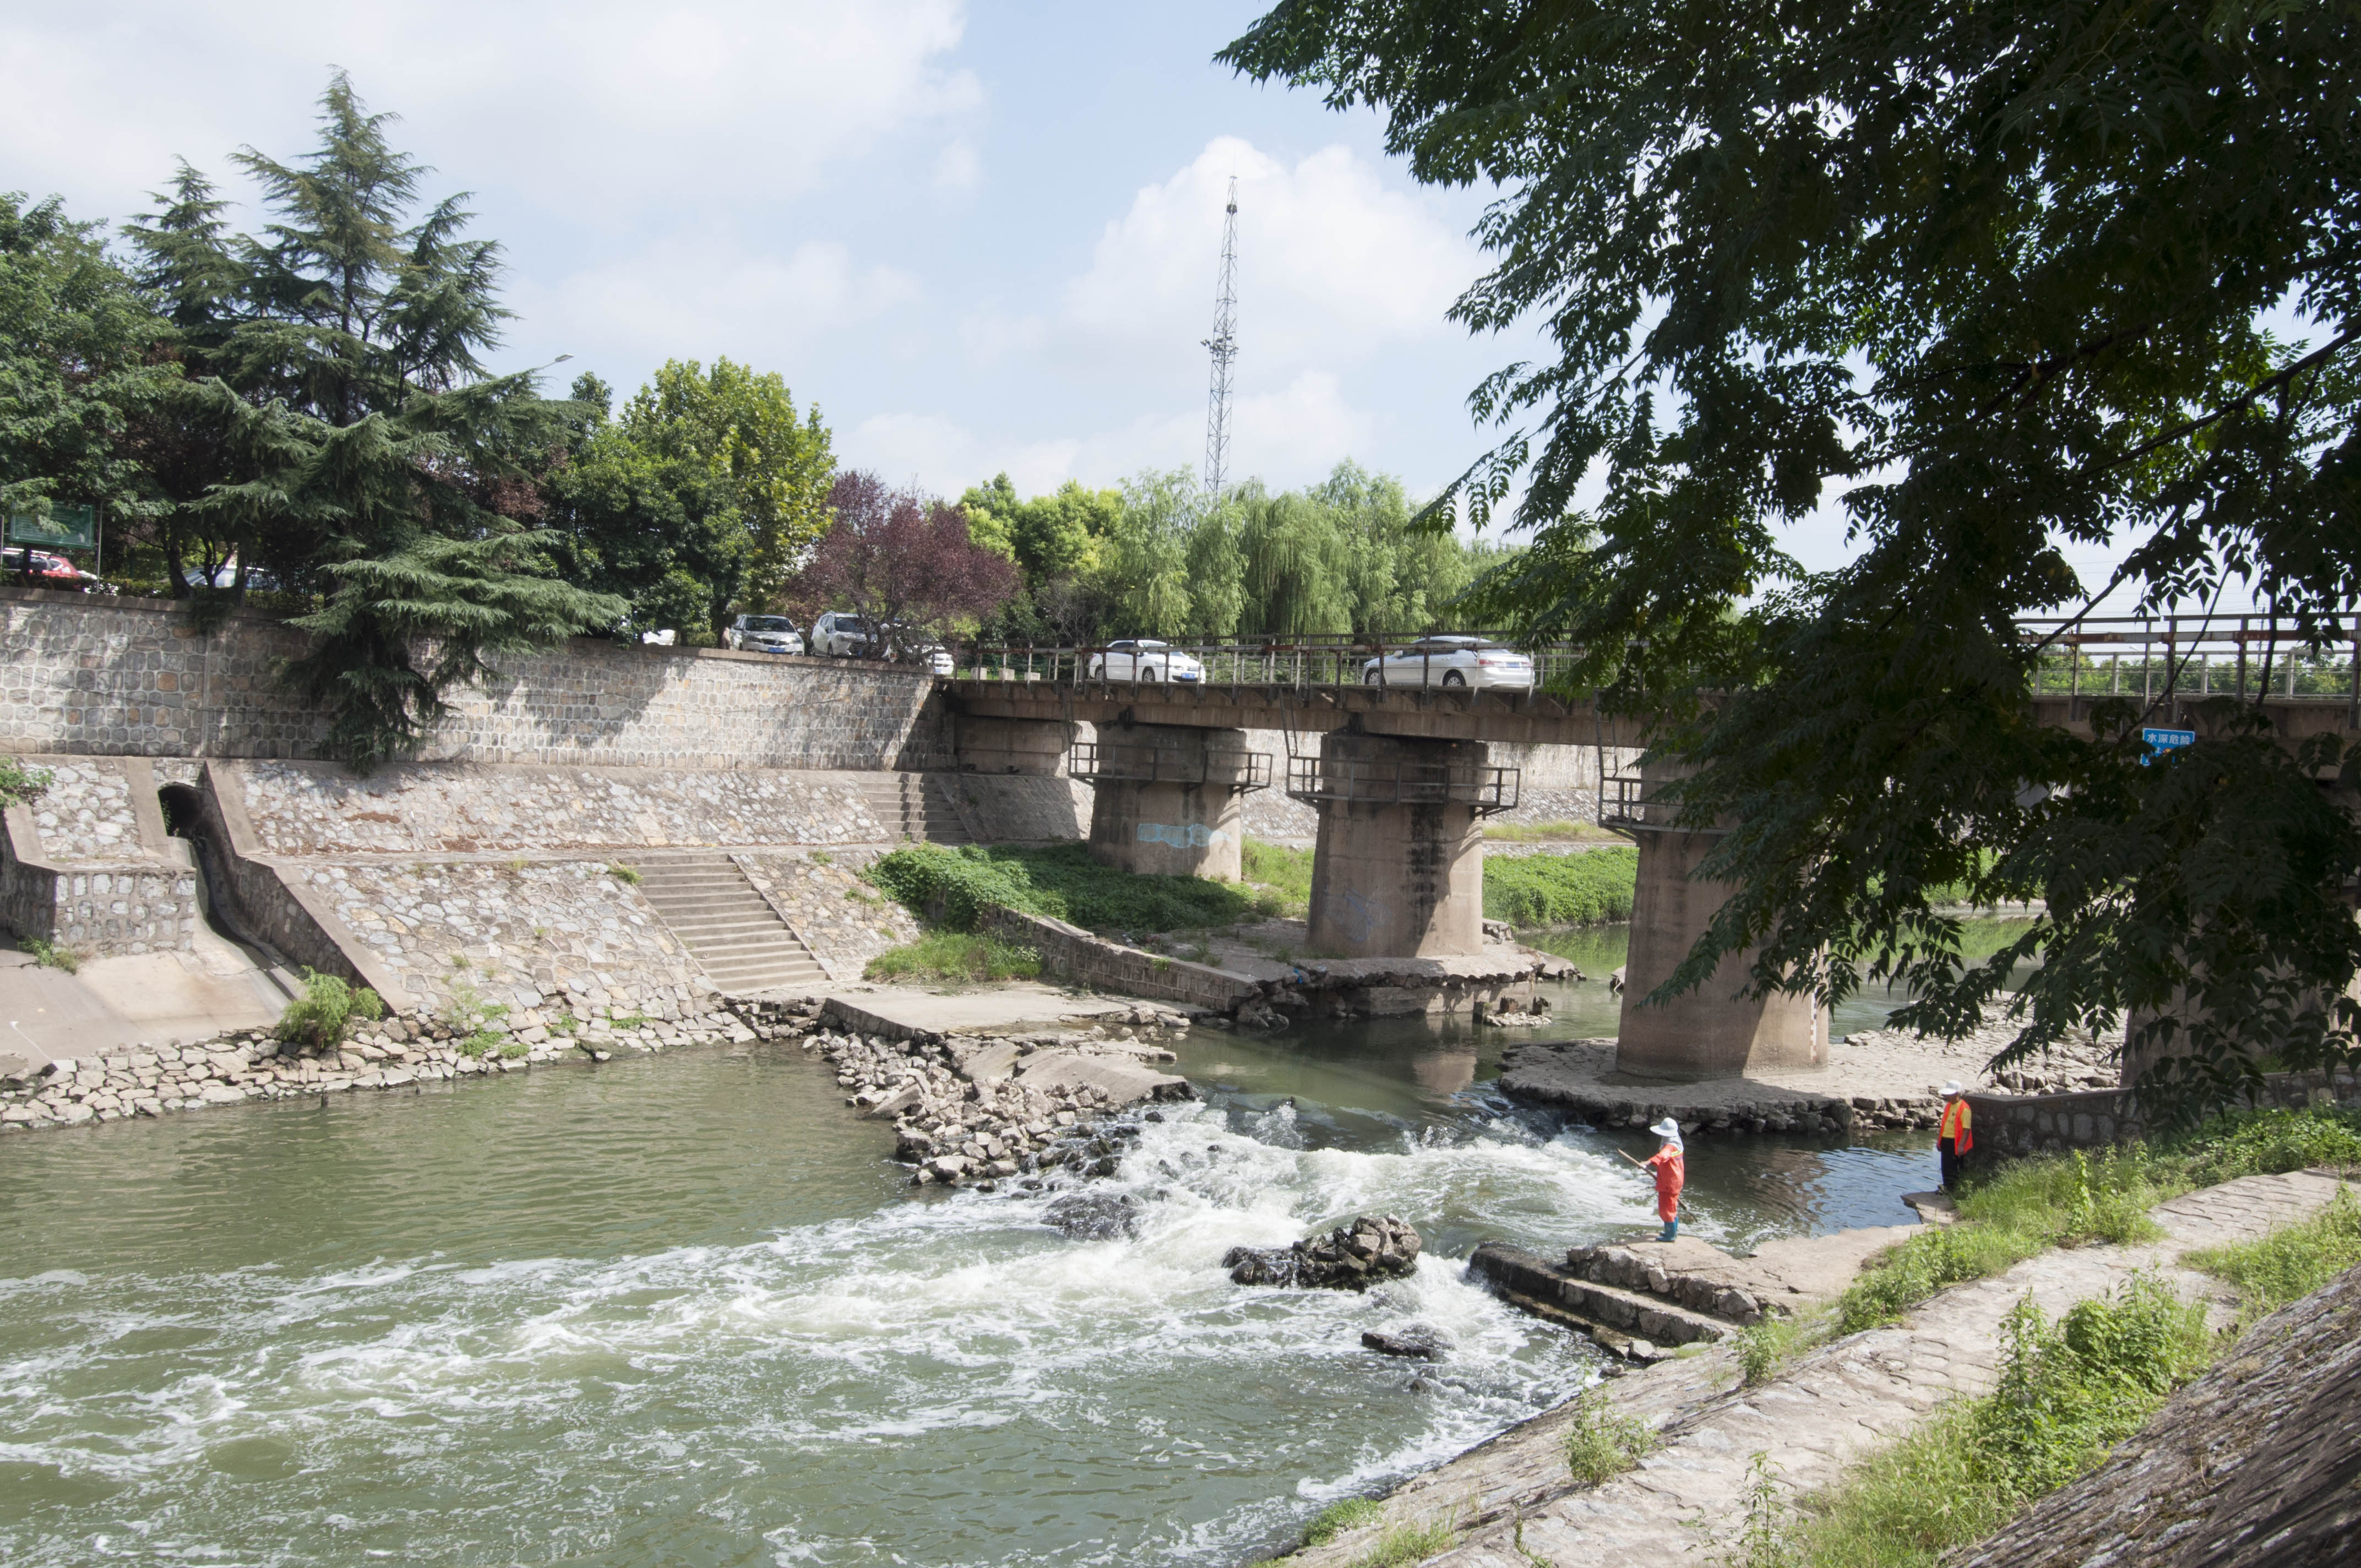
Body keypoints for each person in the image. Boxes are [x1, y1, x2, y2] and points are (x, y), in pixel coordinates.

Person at [1619, 1117, 1686, 1242]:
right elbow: (1667, 1160)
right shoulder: (1677, 1143)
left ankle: (1670, 1235)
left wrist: (1647, 1162)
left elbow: (1662, 1156)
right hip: (1676, 1180)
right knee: (1673, 1207)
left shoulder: (1670, 1147)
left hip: (1669, 1182)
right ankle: (1672, 1232)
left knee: (1666, 1209)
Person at [1938, 1081, 1973, 1191]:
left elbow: (1966, 1129)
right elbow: (1944, 1124)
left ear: (1956, 1094)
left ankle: (1952, 1189)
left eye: (1949, 1095)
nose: (1947, 1097)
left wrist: (1961, 1145)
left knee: (1953, 1166)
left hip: (1955, 1141)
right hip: (1945, 1140)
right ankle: (1947, 1186)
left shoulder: (1964, 1109)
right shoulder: (1949, 1106)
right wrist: (1939, 1141)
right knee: (1945, 1166)